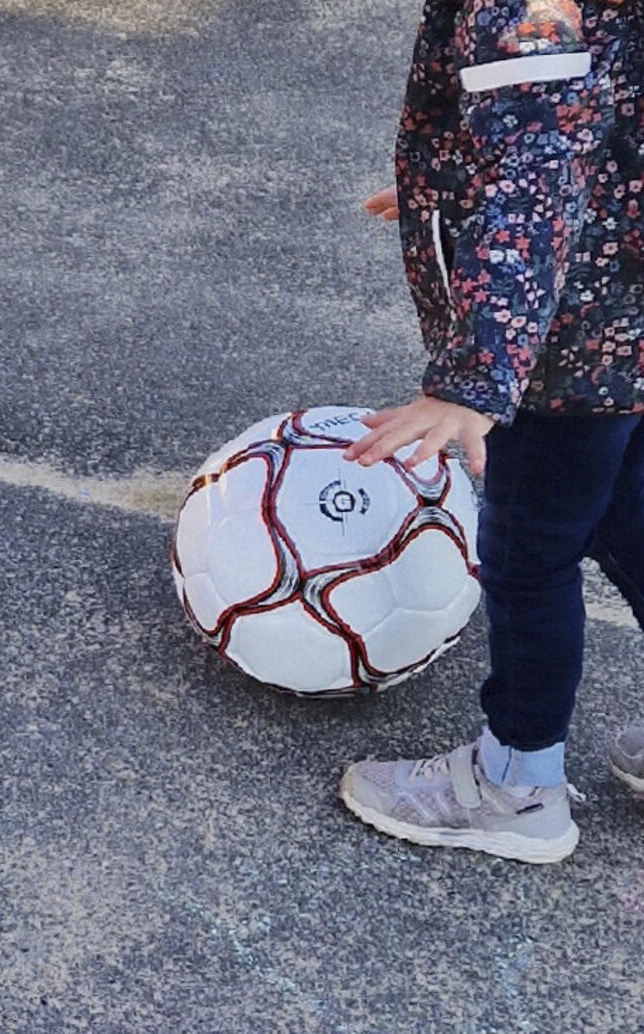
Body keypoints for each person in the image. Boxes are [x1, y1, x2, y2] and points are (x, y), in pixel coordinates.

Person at [338, 0, 644, 863]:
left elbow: (535, 176)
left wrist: (473, 380)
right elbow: (585, 119)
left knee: (527, 556)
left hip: (564, 347)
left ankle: (516, 785)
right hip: (625, 308)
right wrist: (442, 192)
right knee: (625, 514)